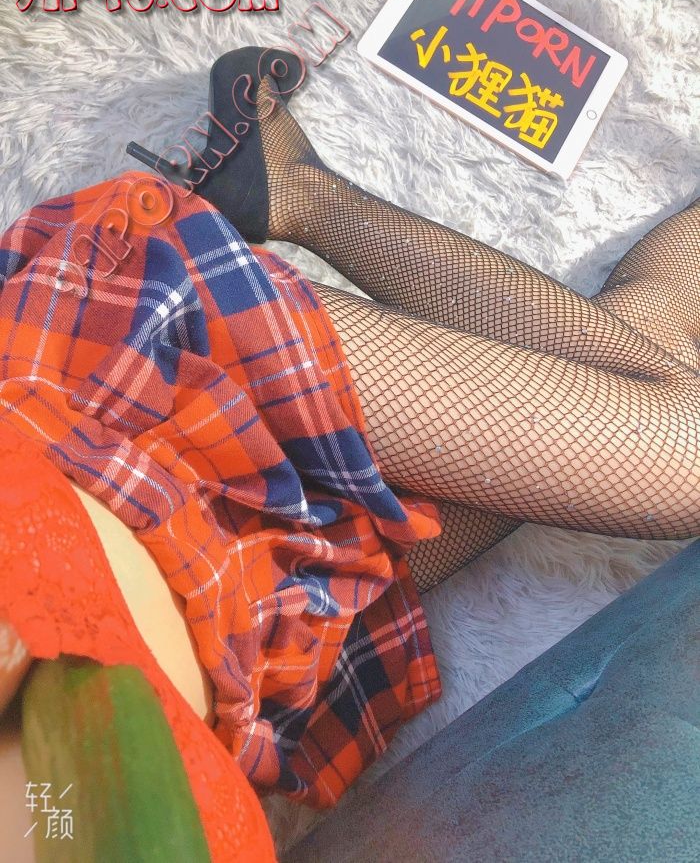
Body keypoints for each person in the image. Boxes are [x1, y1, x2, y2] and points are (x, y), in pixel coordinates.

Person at [1, 47, 698, 858]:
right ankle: (287, 185)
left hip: (126, 419)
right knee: (644, 340)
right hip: (270, 623)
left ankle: (297, 190)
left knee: (677, 444)